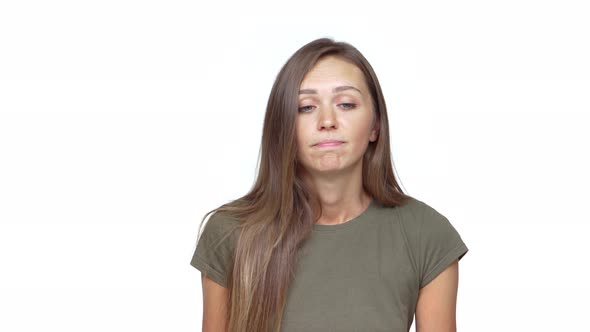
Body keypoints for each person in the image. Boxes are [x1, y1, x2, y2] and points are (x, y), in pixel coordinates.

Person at [190, 37, 469, 332]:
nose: (327, 120)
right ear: (284, 126)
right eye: (306, 107)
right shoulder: (230, 232)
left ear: (375, 125)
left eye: (346, 104)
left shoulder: (426, 234)